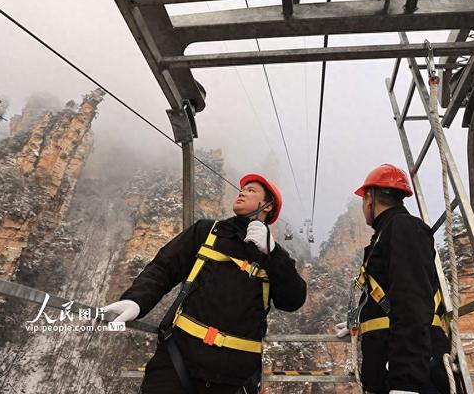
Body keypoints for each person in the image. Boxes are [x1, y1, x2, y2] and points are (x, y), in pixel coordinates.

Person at [102, 174, 307, 393]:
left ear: (267, 206)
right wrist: (136, 300)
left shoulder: (274, 255)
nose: (242, 192)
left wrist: (272, 253)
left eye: (251, 190)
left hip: (235, 377)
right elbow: (164, 268)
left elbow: (292, 300)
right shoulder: (207, 231)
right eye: (242, 189)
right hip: (177, 360)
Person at [338, 164, 451, 394]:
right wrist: (360, 319)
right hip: (390, 371)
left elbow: (412, 302)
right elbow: (391, 295)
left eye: (363, 201)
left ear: (369, 198)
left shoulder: (402, 227)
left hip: (412, 378)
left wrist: (405, 383)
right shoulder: (388, 233)